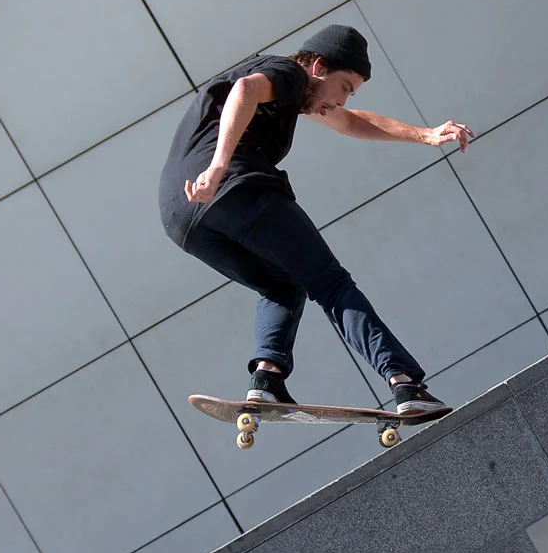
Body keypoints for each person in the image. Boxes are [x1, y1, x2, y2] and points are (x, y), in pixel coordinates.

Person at [159, 24, 473, 414]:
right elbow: (245, 91)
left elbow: (350, 122)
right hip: (235, 188)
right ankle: (405, 383)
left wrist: (425, 135)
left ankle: (267, 381)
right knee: (330, 284)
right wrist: (219, 167)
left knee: (283, 286)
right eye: (344, 87)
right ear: (319, 66)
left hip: (182, 218)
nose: (340, 101)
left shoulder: (288, 90)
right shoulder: (289, 72)